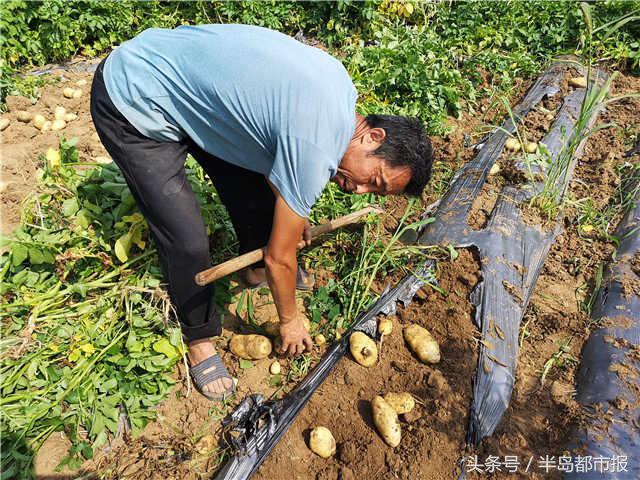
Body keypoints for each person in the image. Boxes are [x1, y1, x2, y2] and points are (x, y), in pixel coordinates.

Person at [90, 24, 433, 401]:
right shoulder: (314, 149)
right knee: (186, 240)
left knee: (256, 191)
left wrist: (294, 214)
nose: (361, 190)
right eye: (375, 180)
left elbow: (277, 147)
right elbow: (280, 258)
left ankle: (250, 271)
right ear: (374, 137)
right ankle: (199, 338)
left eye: (375, 192)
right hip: (133, 95)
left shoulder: (340, 92)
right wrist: (290, 320)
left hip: (186, 89)